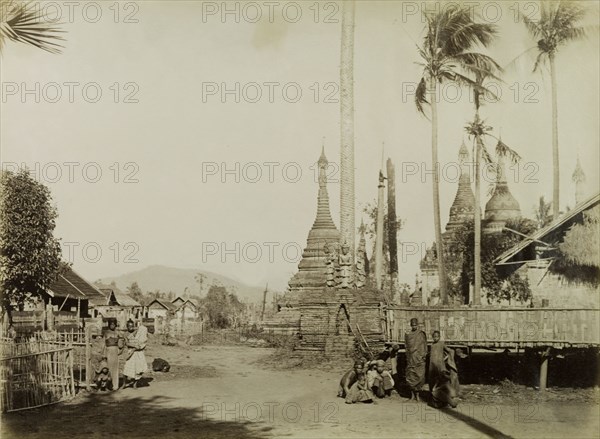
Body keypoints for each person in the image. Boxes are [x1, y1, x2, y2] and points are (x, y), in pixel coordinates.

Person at [429, 330, 459, 408]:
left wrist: (446, 359)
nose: (435, 338)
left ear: (439, 337)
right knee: (433, 381)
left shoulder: (442, 344)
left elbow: (450, 351)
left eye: (437, 337)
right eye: (434, 337)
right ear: (432, 337)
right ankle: (436, 400)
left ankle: (446, 401)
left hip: (440, 367)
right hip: (432, 367)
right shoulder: (432, 345)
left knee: (442, 382)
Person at [405, 317, 427, 401]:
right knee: (410, 377)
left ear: (417, 325)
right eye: (412, 325)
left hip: (419, 359)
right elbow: (406, 346)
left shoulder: (421, 334)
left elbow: (424, 346)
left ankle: (418, 396)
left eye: (415, 325)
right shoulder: (408, 335)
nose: (414, 326)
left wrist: (423, 355)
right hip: (411, 359)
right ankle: (412, 396)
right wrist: (408, 356)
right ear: (411, 325)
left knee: (419, 377)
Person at [122, 320, 148, 389]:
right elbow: (126, 343)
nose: (131, 328)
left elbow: (142, 339)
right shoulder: (126, 334)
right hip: (131, 352)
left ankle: (134, 383)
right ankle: (124, 383)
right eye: (129, 326)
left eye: (132, 326)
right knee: (126, 369)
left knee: (138, 369)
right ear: (127, 327)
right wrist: (134, 346)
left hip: (139, 352)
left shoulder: (137, 332)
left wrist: (139, 346)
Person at [103, 319, 122, 390]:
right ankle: (108, 385)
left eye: (113, 324)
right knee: (108, 368)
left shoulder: (117, 333)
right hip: (108, 351)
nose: (112, 326)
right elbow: (103, 344)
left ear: (115, 325)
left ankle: (115, 386)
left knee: (115, 368)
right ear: (109, 325)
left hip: (115, 350)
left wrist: (120, 350)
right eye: (111, 324)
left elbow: (121, 343)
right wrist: (104, 353)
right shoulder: (106, 333)